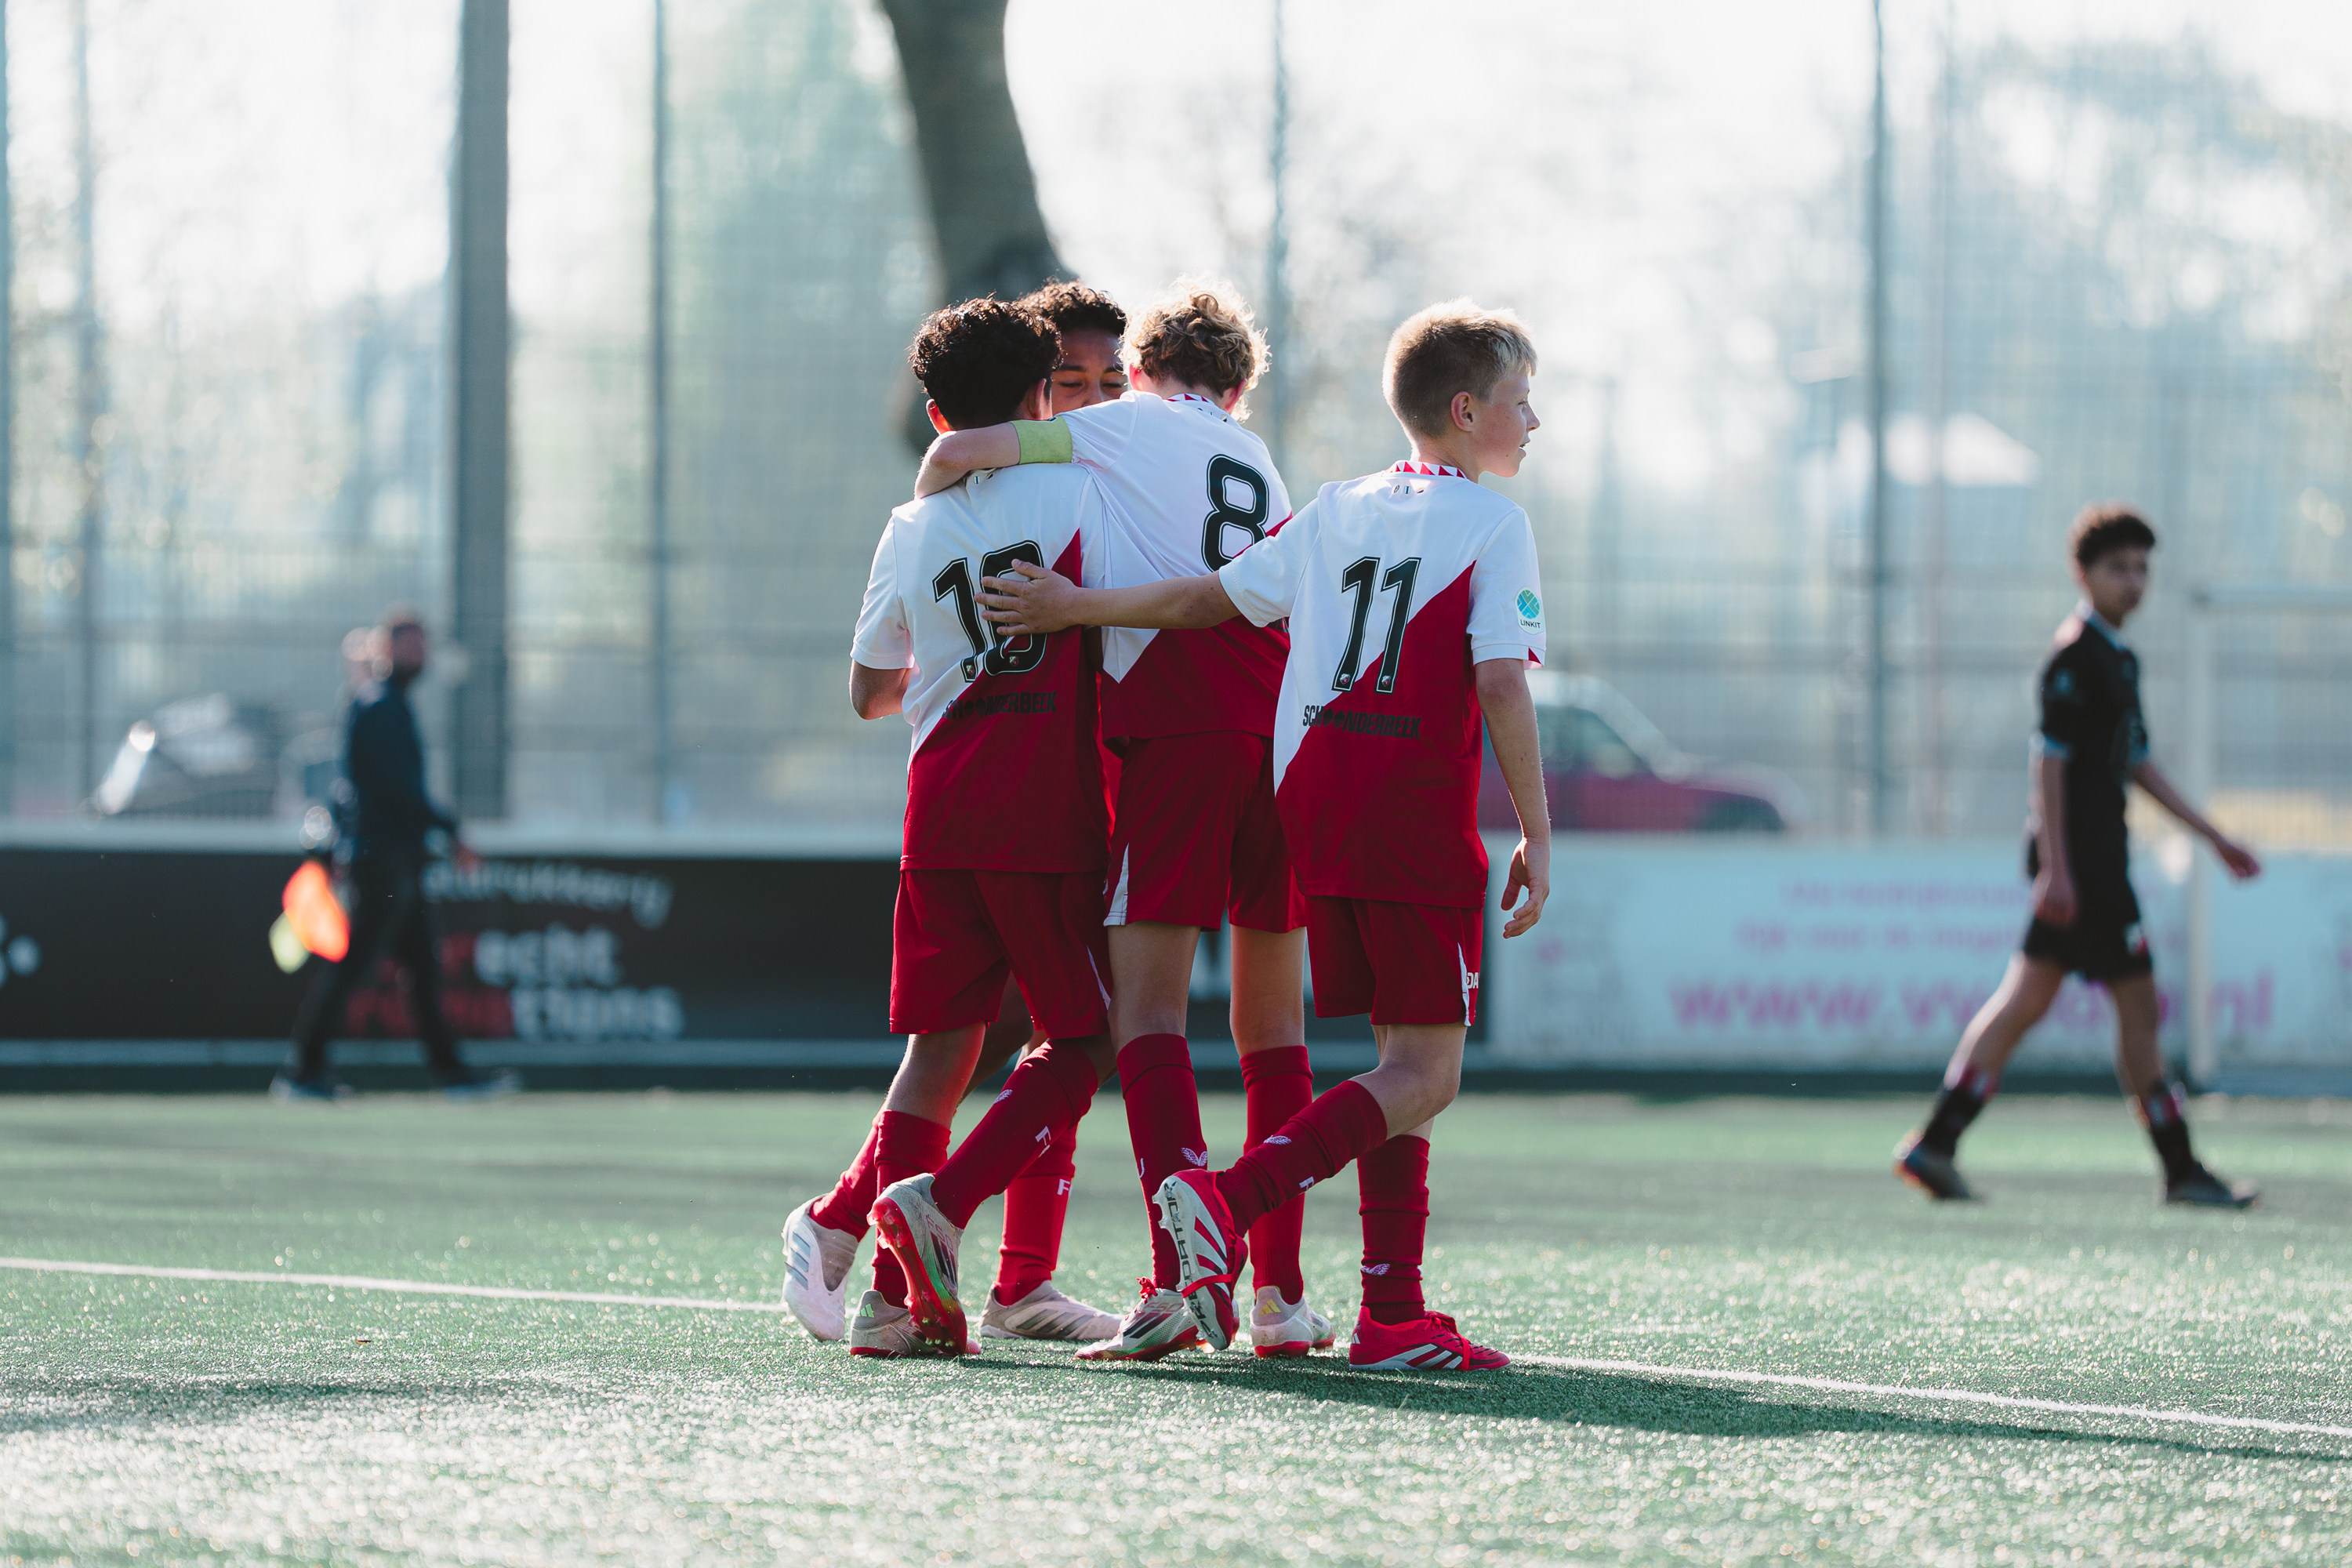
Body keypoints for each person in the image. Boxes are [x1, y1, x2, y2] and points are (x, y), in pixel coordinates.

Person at [979, 299, 1552, 1372]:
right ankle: (1233, 1215)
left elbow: (1211, 598)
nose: (1536, 422)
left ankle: (1389, 1312)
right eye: (1524, 403)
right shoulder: (1486, 520)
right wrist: (1537, 832)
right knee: (1422, 1071)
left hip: (1316, 790)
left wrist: (1072, 610)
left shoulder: (1337, 504)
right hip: (1401, 799)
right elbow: (1502, 685)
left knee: (1394, 1057)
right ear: (1469, 412)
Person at [913, 281, 1334, 1363]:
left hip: (1178, 730)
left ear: (1141, 372)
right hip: (1281, 737)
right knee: (1274, 1033)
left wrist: (927, 520)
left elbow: (964, 456)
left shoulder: (1106, 429)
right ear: (1239, 387)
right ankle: (1280, 1300)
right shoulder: (1256, 458)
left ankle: (1177, 1277)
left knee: (1142, 1019)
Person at [781, 283, 1134, 1349]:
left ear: (937, 417)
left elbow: (869, 690)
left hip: (939, 814)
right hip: (1043, 814)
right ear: (1041, 399)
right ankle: (934, 1222)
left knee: (940, 1050)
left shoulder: (911, 522)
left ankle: (890, 1303)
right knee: (1087, 1039)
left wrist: (953, 661)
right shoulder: (1081, 496)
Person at [1895, 506, 2263, 1207]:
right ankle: (2181, 1170)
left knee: (2027, 1001)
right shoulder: (2075, 656)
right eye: (2118, 568)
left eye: (2142, 568)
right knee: (2138, 1010)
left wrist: (2212, 836)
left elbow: (2137, 763)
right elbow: (2049, 763)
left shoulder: (2119, 658)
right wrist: (2059, 868)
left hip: (2090, 863)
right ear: (2083, 575)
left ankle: (1936, 1142)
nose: (2135, 582)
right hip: (2086, 870)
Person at [276, 609, 521, 1104]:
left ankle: (453, 1076)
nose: (422, 657)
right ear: (387, 650)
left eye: (424, 647)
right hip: (382, 862)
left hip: (398, 860)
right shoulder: (380, 707)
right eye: (413, 647)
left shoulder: (388, 705)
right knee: (354, 965)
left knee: (424, 971)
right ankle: (302, 1072)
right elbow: (399, 789)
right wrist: (452, 831)